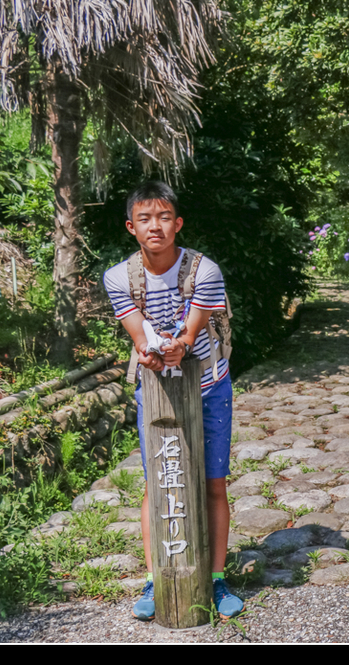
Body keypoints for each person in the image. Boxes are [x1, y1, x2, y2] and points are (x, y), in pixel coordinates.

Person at [103, 180, 243, 621]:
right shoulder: (118, 277)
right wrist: (148, 352)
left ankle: (216, 578)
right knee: (156, 484)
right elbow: (138, 334)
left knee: (213, 482)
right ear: (131, 226)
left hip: (209, 385)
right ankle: (156, 576)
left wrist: (179, 344)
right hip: (157, 391)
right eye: (145, 219)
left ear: (177, 223)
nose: (155, 226)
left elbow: (192, 332)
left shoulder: (205, 270)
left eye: (164, 217)